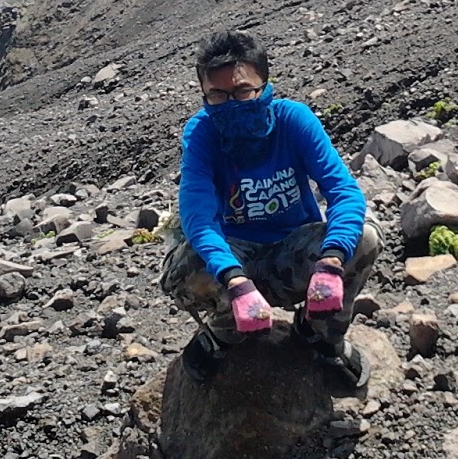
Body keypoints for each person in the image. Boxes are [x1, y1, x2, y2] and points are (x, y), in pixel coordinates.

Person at [159, 29, 381, 386]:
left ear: (265, 84)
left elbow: (343, 191)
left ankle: (318, 332)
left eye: (244, 91)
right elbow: (198, 218)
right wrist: (235, 280)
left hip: (291, 252)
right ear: (203, 93)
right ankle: (224, 330)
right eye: (217, 95)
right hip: (236, 256)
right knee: (185, 266)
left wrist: (331, 260)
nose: (232, 104)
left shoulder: (294, 120)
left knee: (364, 237)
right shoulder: (201, 133)